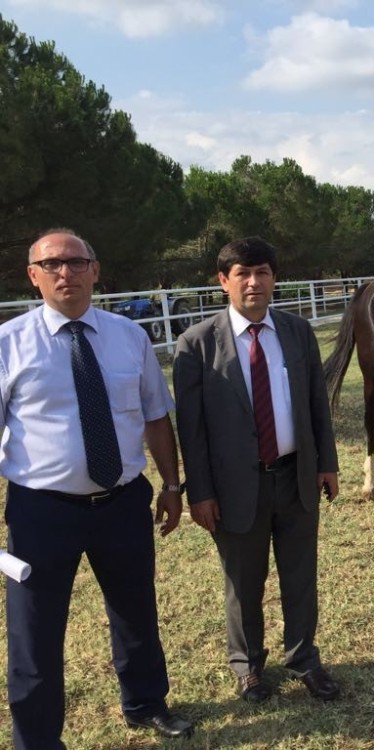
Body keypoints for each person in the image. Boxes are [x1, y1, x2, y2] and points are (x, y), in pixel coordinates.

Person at [0, 230, 194, 748]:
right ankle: (38, 739)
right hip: (40, 511)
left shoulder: (129, 336)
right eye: (53, 264)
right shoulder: (8, 344)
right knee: (35, 632)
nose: (66, 273)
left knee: (136, 611)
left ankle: (146, 702)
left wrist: (172, 485)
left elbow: (156, 415)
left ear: (95, 270)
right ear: (33, 275)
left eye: (76, 262)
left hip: (123, 503)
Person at [173, 237, 340, 704]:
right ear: (223, 281)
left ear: (274, 278)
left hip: (296, 477)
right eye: (242, 273)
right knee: (243, 582)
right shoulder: (196, 345)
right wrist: (199, 492)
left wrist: (326, 463)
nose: (254, 282)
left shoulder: (296, 332)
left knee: (301, 575)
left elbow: (315, 406)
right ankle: (248, 668)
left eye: (262, 271)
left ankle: (305, 657)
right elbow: (193, 430)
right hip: (233, 488)